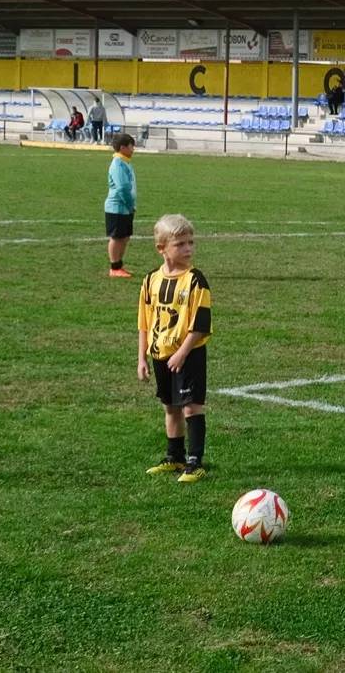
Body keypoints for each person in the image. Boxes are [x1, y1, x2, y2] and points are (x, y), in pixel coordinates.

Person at [137, 214, 213, 482]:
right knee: (170, 406)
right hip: (160, 354)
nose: (188, 249)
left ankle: (195, 461)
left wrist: (182, 352)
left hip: (188, 353)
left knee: (191, 406)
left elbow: (201, 324)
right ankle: (175, 456)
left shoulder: (195, 280)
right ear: (162, 249)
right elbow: (144, 323)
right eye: (180, 244)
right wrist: (142, 358)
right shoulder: (150, 281)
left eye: (191, 242)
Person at [105, 133, 137, 278]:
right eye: (131, 147)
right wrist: (130, 204)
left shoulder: (124, 162)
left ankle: (119, 264)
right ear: (122, 147)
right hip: (118, 207)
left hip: (125, 207)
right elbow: (123, 188)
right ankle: (114, 266)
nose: (133, 150)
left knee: (124, 237)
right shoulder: (118, 164)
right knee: (117, 237)